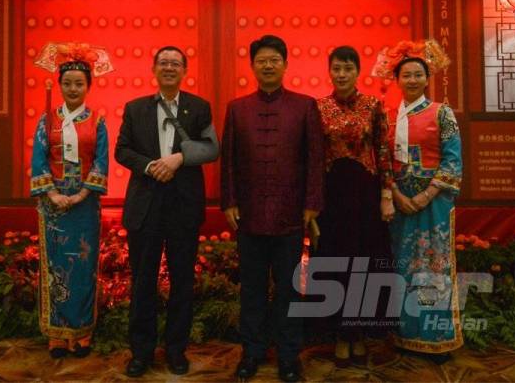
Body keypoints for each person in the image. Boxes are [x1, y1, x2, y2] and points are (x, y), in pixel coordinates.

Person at [221, 34, 324, 382]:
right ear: (252, 66)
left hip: (291, 215)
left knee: (289, 288)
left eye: (274, 60)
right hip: (248, 216)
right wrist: (229, 201)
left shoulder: (305, 106)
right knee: (250, 288)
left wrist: (311, 205)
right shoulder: (237, 108)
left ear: (285, 64)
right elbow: (229, 162)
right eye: (261, 60)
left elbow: (314, 160)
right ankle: (251, 353)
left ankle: (288, 355)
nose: (267, 65)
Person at [115, 45, 219, 378]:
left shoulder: (199, 107)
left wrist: (179, 158)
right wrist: (149, 166)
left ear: (185, 70)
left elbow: (211, 149)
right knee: (143, 282)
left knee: (182, 282)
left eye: (176, 63)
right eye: (164, 62)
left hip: (183, 207)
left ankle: (176, 350)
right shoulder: (135, 109)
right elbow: (121, 150)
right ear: (154, 69)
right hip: (145, 207)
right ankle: (141, 352)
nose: (170, 67)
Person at [372, 39, 463, 364]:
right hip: (399, 203)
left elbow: (453, 161)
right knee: (402, 266)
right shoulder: (386, 116)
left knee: (433, 266)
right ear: (396, 80)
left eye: (417, 75)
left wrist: (425, 195)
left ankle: (437, 338)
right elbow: (382, 160)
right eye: (405, 75)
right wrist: (396, 194)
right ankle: (405, 334)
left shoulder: (443, 113)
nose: (411, 80)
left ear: (427, 79)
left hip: (434, 202)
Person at [314, 46, 395, 367]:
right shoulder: (318, 108)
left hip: (365, 196)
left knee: (365, 262)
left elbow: (383, 152)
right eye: (336, 68)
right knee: (336, 264)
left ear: (357, 71)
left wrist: (387, 194)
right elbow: (313, 158)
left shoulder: (373, 106)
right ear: (329, 71)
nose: (342, 74)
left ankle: (359, 332)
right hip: (331, 198)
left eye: (348, 68)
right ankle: (340, 334)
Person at [31, 43, 111, 359]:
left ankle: (81, 331)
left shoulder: (98, 121)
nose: (73, 88)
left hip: (85, 203)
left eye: (79, 83)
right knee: (56, 266)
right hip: (52, 206)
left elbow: (102, 161)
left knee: (83, 266)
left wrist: (80, 194)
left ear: (88, 86)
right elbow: (38, 159)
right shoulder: (46, 121)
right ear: (60, 85)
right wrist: (51, 193)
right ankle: (57, 331)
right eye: (68, 83)